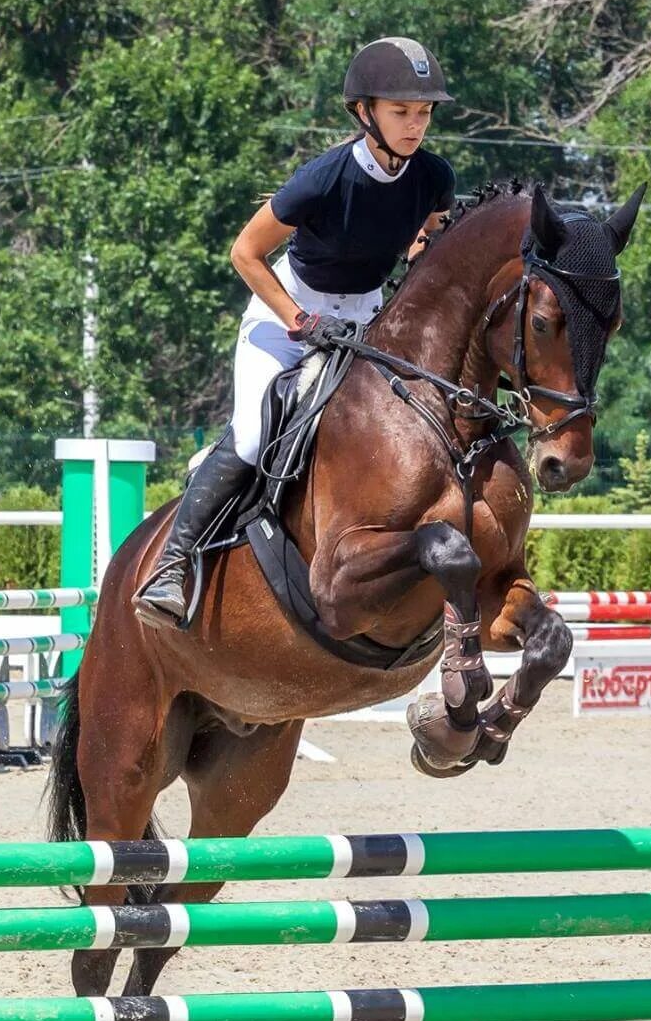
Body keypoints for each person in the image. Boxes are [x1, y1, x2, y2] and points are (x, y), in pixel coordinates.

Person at [135, 36, 457, 628]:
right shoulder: (323, 179)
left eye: (424, 113)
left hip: (365, 319)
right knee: (257, 435)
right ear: (365, 113)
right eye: (402, 112)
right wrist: (299, 320)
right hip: (286, 315)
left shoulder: (433, 175)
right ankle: (171, 568)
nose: (416, 126)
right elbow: (245, 253)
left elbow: (425, 236)